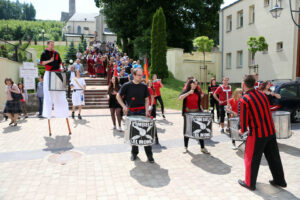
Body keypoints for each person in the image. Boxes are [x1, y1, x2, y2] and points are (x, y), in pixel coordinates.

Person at [238, 75, 287, 191]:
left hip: (257, 134)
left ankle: (250, 183)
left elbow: (243, 122)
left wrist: (241, 130)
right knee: (274, 158)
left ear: (244, 85)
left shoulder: (244, 99)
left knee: (251, 158)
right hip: (270, 131)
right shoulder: (262, 94)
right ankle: (280, 181)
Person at [116, 68, 154, 163]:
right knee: (134, 134)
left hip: (142, 112)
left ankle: (149, 155)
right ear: (134, 75)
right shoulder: (127, 85)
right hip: (131, 113)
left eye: (142, 75)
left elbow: (146, 99)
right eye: (139, 75)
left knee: (146, 133)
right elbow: (118, 96)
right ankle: (134, 153)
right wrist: (124, 106)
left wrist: (146, 111)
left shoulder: (144, 86)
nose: (141, 77)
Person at [40, 41, 70, 134]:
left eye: (53, 44)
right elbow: (42, 63)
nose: (52, 46)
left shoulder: (56, 53)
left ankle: (63, 113)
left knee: (61, 95)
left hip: (58, 74)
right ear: (48, 45)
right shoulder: (44, 53)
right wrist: (50, 60)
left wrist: (61, 68)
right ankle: (48, 114)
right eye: (51, 44)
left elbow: (60, 63)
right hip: (49, 74)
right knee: (48, 96)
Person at [179, 79, 209, 154]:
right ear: (190, 84)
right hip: (188, 114)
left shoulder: (197, 92)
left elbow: (199, 104)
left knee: (200, 130)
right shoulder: (186, 91)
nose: (196, 85)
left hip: (197, 113)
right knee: (187, 130)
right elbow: (180, 98)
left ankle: (202, 148)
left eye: (196, 84)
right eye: (194, 84)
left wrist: (202, 112)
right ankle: (185, 147)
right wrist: (188, 93)